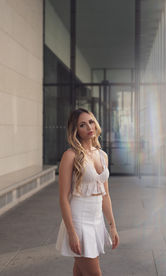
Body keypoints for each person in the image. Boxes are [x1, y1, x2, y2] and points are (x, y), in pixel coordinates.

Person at [55, 108, 119, 275]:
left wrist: (112, 226)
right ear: (76, 131)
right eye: (82, 125)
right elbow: (63, 198)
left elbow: (106, 196)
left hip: (96, 218)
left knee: (80, 272)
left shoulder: (103, 155)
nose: (89, 127)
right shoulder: (70, 156)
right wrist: (71, 232)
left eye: (91, 122)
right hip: (79, 219)